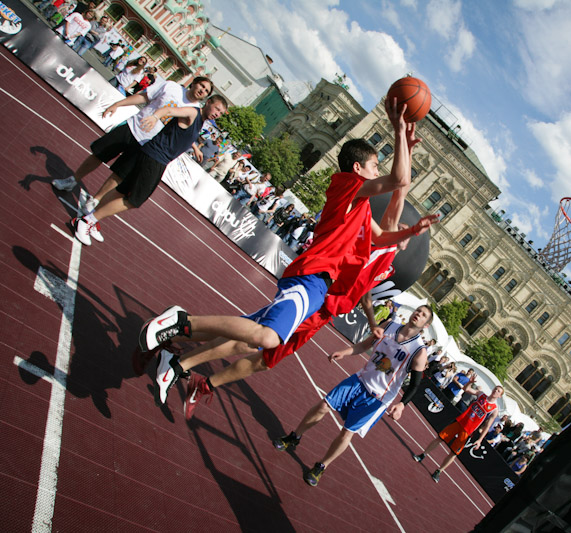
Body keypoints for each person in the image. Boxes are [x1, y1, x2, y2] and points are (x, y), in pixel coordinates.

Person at [138, 98, 440, 409]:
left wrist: (412, 231)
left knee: (254, 339)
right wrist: (401, 133)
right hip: (314, 278)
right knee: (264, 339)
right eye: (374, 165)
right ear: (357, 168)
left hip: (321, 288)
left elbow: (383, 232)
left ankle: (178, 359)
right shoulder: (347, 186)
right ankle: (180, 324)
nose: (378, 171)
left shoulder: (363, 212)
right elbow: (399, 183)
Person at [272, 305, 433, 487]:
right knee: (324, 405)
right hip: (360, 379)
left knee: (347, 431)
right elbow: (365, 345)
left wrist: (402, 405)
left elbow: (415, 384)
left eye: (423, 315)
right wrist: (345, 351)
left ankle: (321, 466)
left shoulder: (419, 351)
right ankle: (295, 436)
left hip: (378, 398)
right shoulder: (389, 325)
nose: (418, 314)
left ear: (426, 325)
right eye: (418, 311)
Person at [51, 76, 213, 240]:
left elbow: (181, 134)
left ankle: (95, 201)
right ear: (194, 83)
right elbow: (144, 96)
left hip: (148, 144)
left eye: (206, 91)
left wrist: (193, 146)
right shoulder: (172, 87)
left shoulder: (195, 110)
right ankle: (72, 180)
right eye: (202, 85)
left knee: (120, 175)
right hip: (133, 128)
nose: (202, 90)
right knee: (99, 155)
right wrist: (117, 104)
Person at [412, 384, 504, 483]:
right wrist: (470, 382)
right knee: (440, 438)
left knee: (454, 453)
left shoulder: (494, 409)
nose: (496, 391)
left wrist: (480, 440)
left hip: (468, 431)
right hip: (460, 421)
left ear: (499, 396)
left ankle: (439, 471)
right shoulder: (481, 395)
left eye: (499, 391)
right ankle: (423, 454)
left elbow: (487, 426)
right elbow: (466, 389)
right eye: (496, 389)